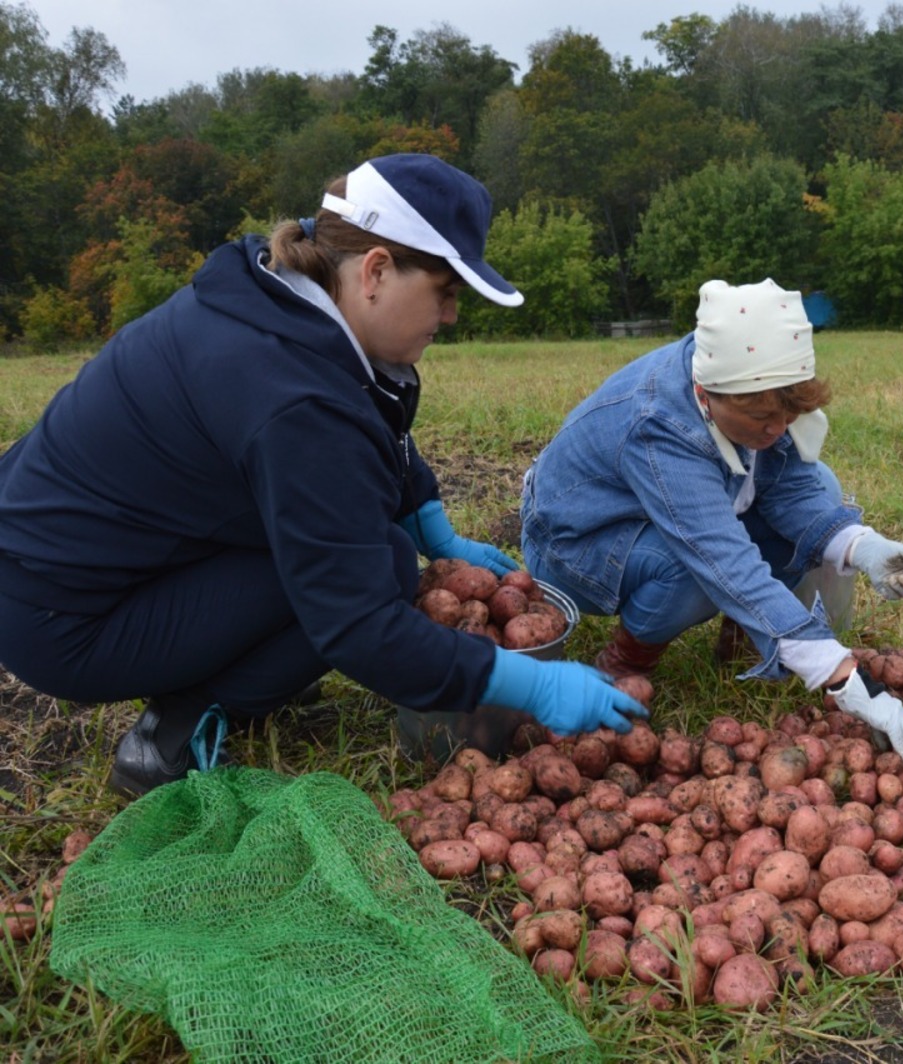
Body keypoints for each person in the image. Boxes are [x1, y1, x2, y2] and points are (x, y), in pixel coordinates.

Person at [0, 153, 645, 797]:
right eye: (445, 293)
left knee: (383, 549)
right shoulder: (294, 399)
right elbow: (358, 624)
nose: (449, 317)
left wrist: (429, 521)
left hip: (68, 553)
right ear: (376, 271)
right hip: (61, 617)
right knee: (377, 572)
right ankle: (178, 727)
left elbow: (371, 417)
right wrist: (525, 682)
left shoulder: (279, 296)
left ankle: (249, 663)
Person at [519, 278, 903, 767]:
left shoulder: (758, 385)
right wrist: (844, 677)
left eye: (788, 414)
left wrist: (863, 546)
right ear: (707, 393)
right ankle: (627, 661)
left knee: (821, 484)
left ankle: (748, 634)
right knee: (691, 571)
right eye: (763, 417)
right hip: (577, 545)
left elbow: (793, 490)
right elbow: (720, 559)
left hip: (675, 514)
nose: (777, 429)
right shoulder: (661, 423)